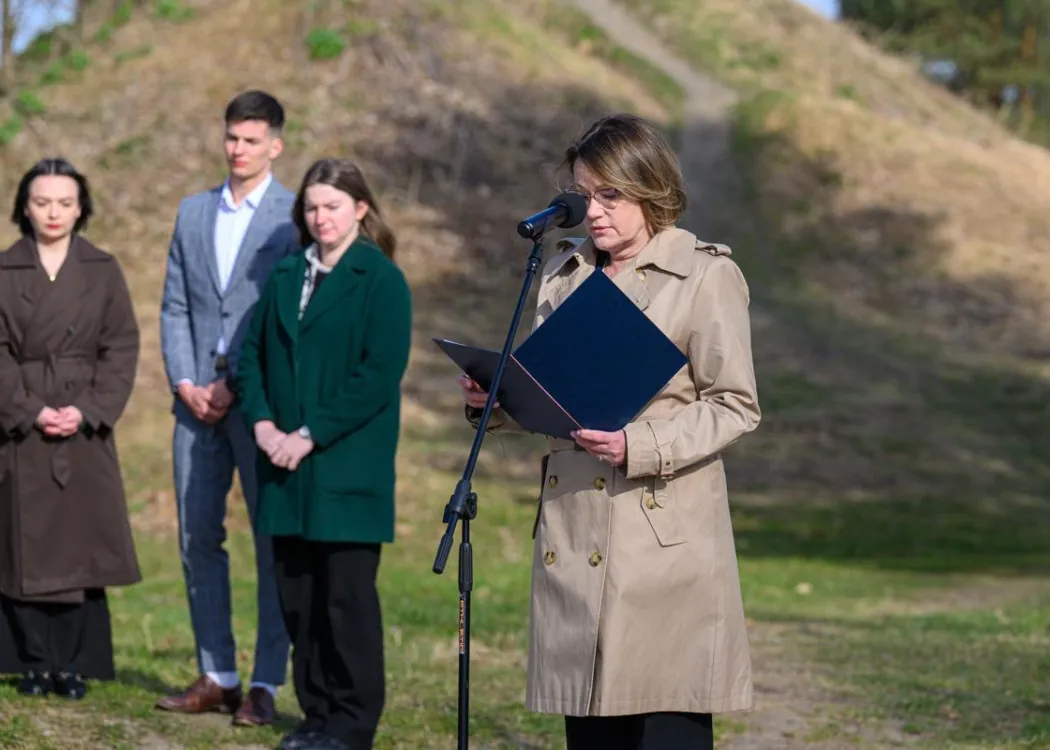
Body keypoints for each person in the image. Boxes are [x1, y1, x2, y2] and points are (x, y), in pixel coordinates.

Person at [457, 113, 761, 750]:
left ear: (650, 189)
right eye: (583, 194)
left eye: (610, 195)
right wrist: (500, 399)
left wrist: (639, 446)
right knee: (591, 733)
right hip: (573, 531)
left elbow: (735, 404)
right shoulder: (562, 274)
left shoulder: (706, 276)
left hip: (659, 536)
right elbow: (558, 394)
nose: (593, 211)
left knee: (662, 727)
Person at [236, 157, 412, 750]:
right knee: (298, 597)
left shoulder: (381, 280)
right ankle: (314, 718)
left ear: (360, 208)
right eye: (311, 207)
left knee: (345, 602)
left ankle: (351, 723)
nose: (320, 218)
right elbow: (251, 357)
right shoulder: (287, 274)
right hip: (283, 468)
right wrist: (262, 425)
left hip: (343, 467)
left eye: (332, 206)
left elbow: (378, 375)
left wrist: (307, 434)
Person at [157, 89, 299, 726]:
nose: (237, 149)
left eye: (251, 139)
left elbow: (283, 314)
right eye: (231, 138)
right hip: (193, 402)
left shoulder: (295, 215)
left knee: (271, 539)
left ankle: (267, 681)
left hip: (259, 398)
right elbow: (176, 306)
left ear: (275, 144)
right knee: (196, 536)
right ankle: (217, 671)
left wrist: (237, 384)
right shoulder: (191, 212)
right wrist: (185, 379)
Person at [0, 157, 141, 700]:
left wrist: (88, 409)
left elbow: (121, 348)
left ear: (81, 207)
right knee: (23, 547)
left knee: (81, 546)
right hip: (20, 427)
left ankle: (74, 664)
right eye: (41, 202)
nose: (53, 213)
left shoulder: (103, 269)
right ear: (24, 207)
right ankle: (32, 662)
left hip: (85, 429)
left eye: (64, 202)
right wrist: (28, 408)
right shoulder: (5, 268)